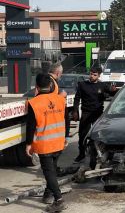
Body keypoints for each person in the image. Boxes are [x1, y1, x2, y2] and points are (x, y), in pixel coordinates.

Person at [25, 73, 68, 212]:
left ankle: (59, 199)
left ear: (36, 87)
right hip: (59, 142)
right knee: (52, 171)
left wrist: (28, 144)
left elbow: (30, 126)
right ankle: (48, 195)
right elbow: (66, 120)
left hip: (45, 145)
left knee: (49, 173)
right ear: (50, 85)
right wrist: (66, 137)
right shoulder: (61, 99)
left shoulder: (34, 103)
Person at [72, 67, 117, 167]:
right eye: (91, 74)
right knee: (82, 136)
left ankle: (100, 153)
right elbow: (77, 98)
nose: (92, 76)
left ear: (99, 75)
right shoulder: (82, 85)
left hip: (98, 114)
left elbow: (112, 93)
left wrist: (114, 90)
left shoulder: (102, 85)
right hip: (86, 113)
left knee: (99, 135)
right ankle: (81, 154)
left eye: (94, 74)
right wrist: (75, 111)